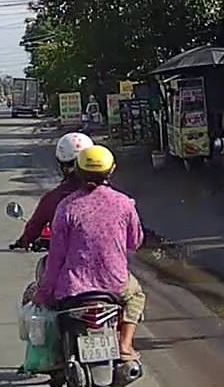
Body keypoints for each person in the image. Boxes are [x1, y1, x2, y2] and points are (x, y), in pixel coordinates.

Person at [35, 145, 146, 370]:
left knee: (51, 310)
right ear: (111, 170)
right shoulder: (124, 203)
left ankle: (57, 356)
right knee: (136, 296)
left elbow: (56, 257)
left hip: (73, 287)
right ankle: (125, 345)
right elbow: (134, 242)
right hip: (115, 284)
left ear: (78, 171)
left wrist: (44, 292)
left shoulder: (66, 207)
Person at [9, 132, 93, 250]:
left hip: (70, 259)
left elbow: (34, 227)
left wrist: (24, 241)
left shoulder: (54, 199)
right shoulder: (115, 199)